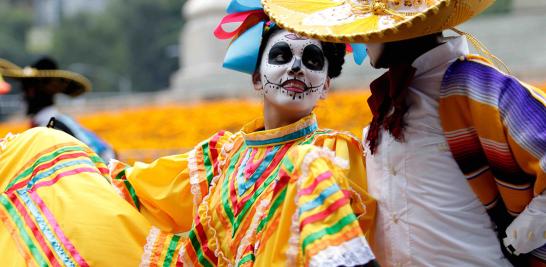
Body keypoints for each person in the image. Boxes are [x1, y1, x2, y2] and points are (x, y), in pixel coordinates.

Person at [0, 0, 378, 266]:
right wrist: (73, 167)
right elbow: (140, 190)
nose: (296, 68)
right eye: (281, 56)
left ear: (327, 85)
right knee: (42, 144)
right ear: (257, 78)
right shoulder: (223, 155)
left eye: (312, 61)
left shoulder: (329, 154)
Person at [262, 0, 546, 266]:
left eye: (368, 29)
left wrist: (516, 241)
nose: (361, 41)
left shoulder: (477, 86)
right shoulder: (388, 102)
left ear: (403, 31)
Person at [0, 57, 116, 162]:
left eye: (27, 89)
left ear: (33, 91)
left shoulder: (52, 127)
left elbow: (101, 158)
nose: (23, 96)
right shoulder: (57, 121)